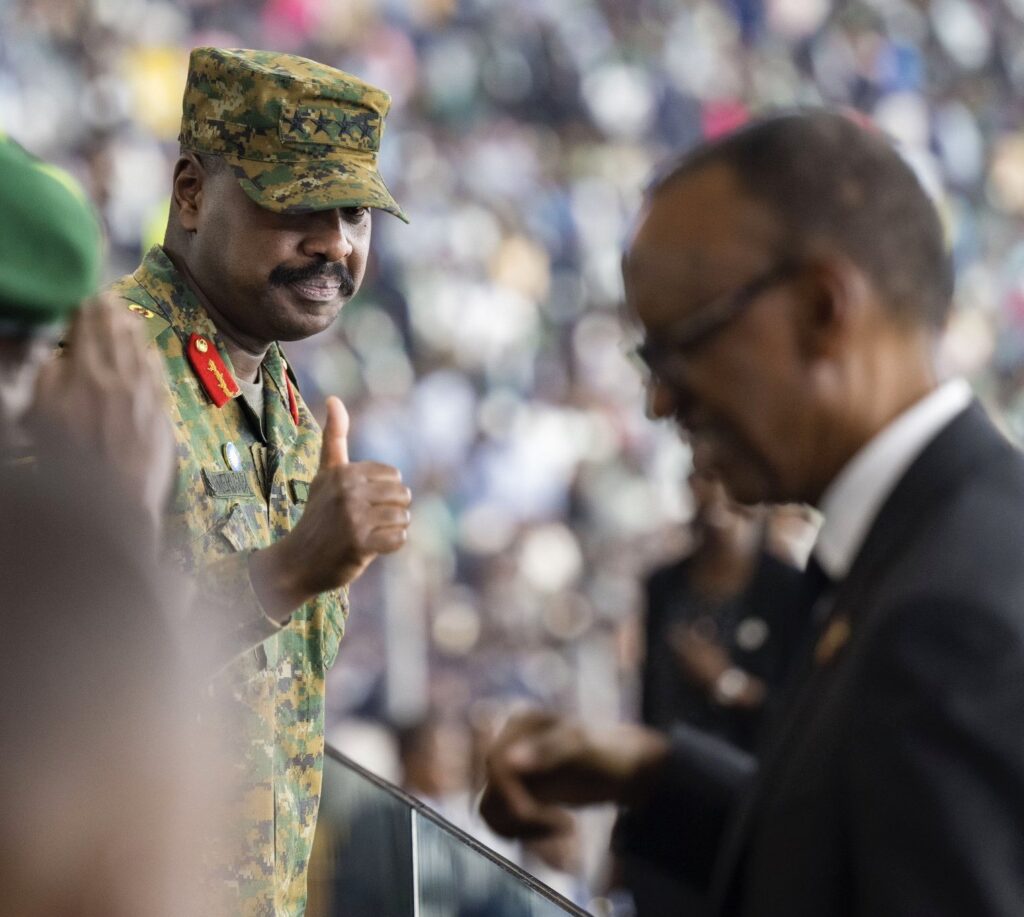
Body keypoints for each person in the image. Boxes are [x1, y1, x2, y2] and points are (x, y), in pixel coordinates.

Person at [481, 110, 1024, 916]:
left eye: (678, 346)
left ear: (821, 309)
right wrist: (657, 771)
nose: (660, 400)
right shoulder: (929, 542)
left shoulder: (951, 619)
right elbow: (857, 844)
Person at [108, 48, 413, 914]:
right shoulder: (102, 377)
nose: (335, 243)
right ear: (192, 193)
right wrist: (284, 572)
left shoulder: (288, 412)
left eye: (355, 212)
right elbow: (51, 679)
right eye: (297, 204)